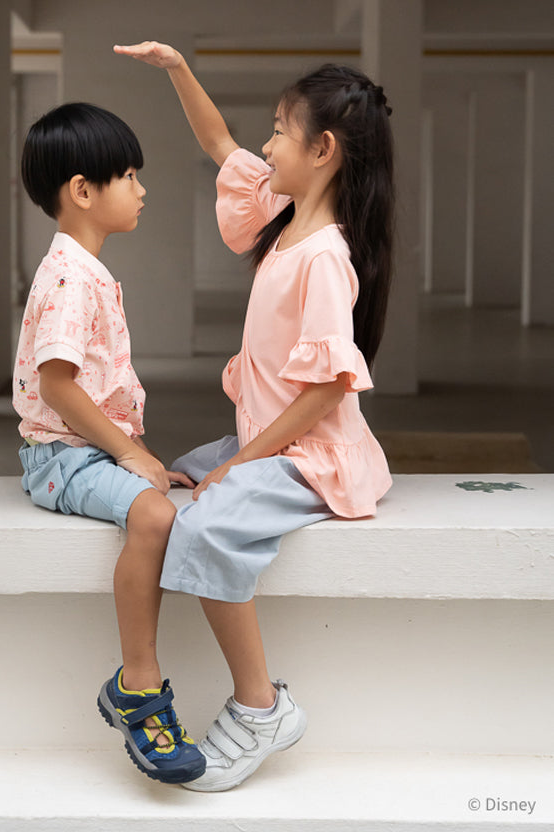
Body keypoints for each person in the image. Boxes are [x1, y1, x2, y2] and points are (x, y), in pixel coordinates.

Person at [114, 41, 395, 792]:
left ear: (324, 149)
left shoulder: (325, 256)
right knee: (169, 486)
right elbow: (217, 144)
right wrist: (177, 69)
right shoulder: (284, 216)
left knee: (206, 521)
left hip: (311, 452)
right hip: (266, 441)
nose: (264, 144)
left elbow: (327, 389)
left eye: (278, 130)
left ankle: (259, 705)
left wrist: (241, 464)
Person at [12, 102, 205, 785]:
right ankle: (138, 686)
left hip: (85, 452)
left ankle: (139, 681)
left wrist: (138, 454)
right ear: (83, 191)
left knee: (179, 487)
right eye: (128, 174)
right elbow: (58, 386)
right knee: (154, 512)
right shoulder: (69, 277)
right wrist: (130, 457)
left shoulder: (83, 268)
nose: (142, 188)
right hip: (61, 459)